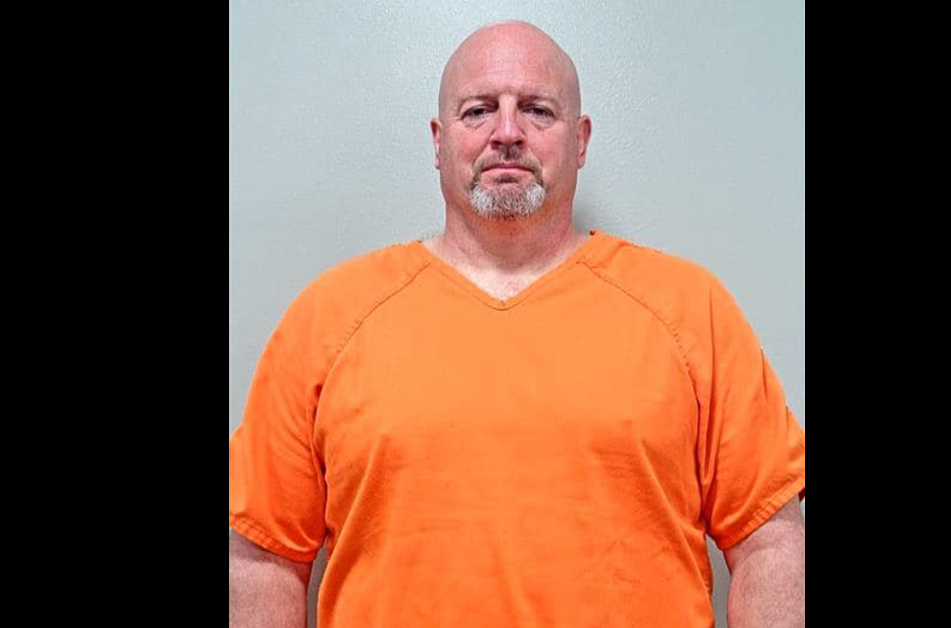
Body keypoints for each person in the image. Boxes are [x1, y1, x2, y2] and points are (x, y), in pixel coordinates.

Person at [230, 20, 804, 628]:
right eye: (478, 111)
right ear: (439, 140)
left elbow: (772, 542)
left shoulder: (690, 310)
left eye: (537, 110)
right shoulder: (327, 319)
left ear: (579, 140)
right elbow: (263, 559)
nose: (507, 133)